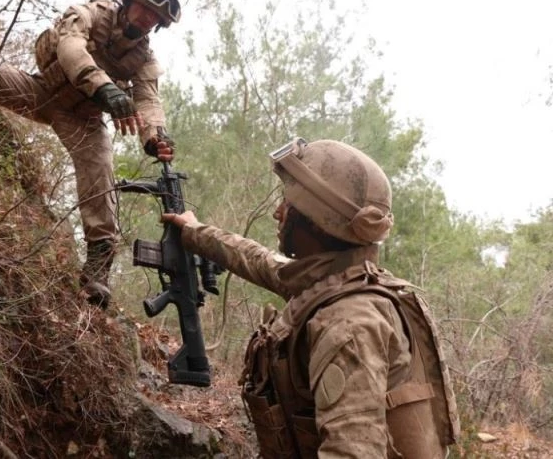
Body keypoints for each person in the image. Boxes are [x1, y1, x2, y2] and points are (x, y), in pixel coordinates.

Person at [162, 138, 459, 458]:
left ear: (316, 221)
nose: (278, 213)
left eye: (289, 204)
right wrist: (194, 231)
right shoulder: (337, 279)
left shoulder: (348, 324)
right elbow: (261, 262)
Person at [0, 0, 180, 308]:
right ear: (130, 0)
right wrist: (105, 89)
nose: (148, 19)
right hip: (39, 92)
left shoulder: (144, 58)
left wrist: (154, 137)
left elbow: (148, 100)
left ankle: (96, 273)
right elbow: (71, 49)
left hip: (82, 120)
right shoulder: (90, 14)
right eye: (146, 9)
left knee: (101, 174)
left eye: (156, 17)